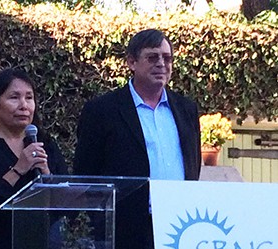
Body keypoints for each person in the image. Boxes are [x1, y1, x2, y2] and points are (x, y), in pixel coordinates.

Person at [74, 29, 201, 249]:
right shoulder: (103, 110)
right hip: (125, 229)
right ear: (132, 62)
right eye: (152, 57)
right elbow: (86, 173)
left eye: (167, 58)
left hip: (180, 224)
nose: (162, 64)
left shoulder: (186, 109)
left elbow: (193, 164)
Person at [0, 68, 68, 249]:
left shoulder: (46, 146)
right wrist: (18, 169)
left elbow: (64, 207)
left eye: (29, 97)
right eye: (14, 97)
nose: (23, 105)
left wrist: (46, 174)